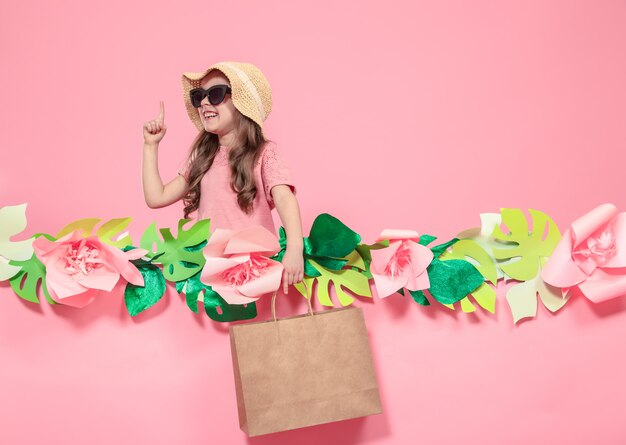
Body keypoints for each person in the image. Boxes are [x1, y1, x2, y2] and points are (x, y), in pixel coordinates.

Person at [141, 61, 304, 293]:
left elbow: (284, 198)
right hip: (213, 272)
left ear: (241, 104)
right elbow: (156, 198)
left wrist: (295, 248)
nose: (204, 102)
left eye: (215, 94)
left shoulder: (263, 153)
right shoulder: (203, 157)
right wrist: (150, 146)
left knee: (254, 327)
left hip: (255, 269)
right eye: (199, 96)